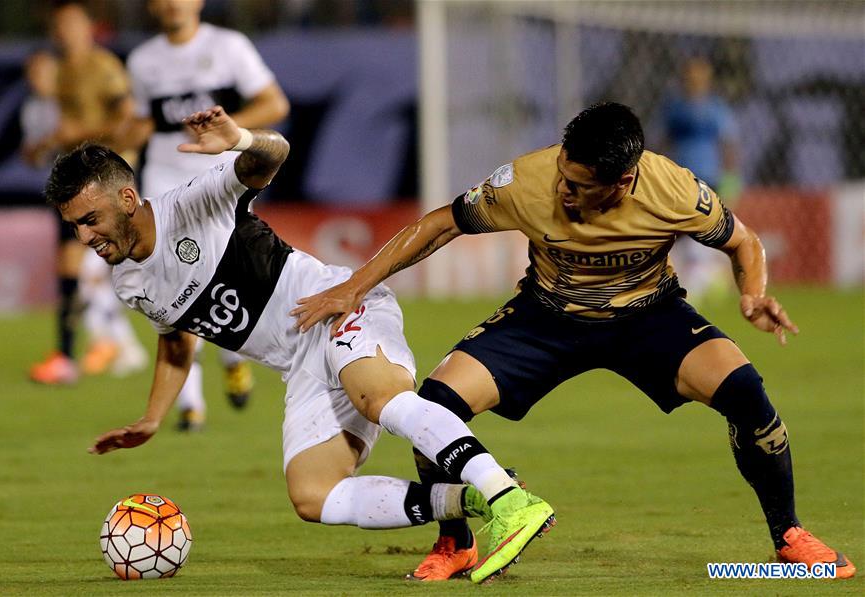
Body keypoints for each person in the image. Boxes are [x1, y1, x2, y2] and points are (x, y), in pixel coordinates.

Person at [292, 102, 856, 580]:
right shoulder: (525, 181)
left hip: (647, 317)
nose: (563, 188)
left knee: (748, 394)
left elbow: (745, 243)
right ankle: (455, 543)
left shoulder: (676, 191)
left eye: (579, 185)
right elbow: (440, 223)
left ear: (624, 181)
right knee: (434, 405)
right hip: (545, 318)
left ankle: (788, 538)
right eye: (563, 171)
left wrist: (752, 294)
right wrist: (352, 286)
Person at [48, 105, 555, 584]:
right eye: (74, 225)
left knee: (379, 400)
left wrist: (241, 139)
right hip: (300, 365)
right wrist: (153, 418)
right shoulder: (128, 284)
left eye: (89, 219)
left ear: (127, 200)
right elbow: (177, 339)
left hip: (334, 307)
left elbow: (272, 154)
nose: (83, 235)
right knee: (314, 497)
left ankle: (508, 499)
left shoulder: (193, 203)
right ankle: (467, 504)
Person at [120, 0, 292, 427]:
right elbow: (142, 123)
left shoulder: (229, 46)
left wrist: (228, 129)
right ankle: (190, 404)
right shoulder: (143, 61)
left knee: (225, 272)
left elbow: (274, 103)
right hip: (163, 180)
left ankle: (232, 353)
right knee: (170, 280)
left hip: (219, 176)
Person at [29, 0, 141, 384]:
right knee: (74, 268)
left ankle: (99, 348)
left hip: (106, 177)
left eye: (73, 24)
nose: (66, 32)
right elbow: (64, 127)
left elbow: (124, 119)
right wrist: (43, 145)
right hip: (73, 179)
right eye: (61, 26)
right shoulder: (60, 72)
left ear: (89, 27)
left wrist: (74, 136)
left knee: (94, 268)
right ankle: (77, 352)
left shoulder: (103, 67)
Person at [662, 57, 742, 302]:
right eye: (690, 76)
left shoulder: (717, 109)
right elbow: (664, 142)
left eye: (700, 77)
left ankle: (703, 280)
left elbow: (728, 145)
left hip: (709, 177)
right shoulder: (674, 108)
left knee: (703, 229)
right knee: (677, 232)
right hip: (679, 178)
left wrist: (730, 179)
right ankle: (695, 280)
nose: (694, 81)